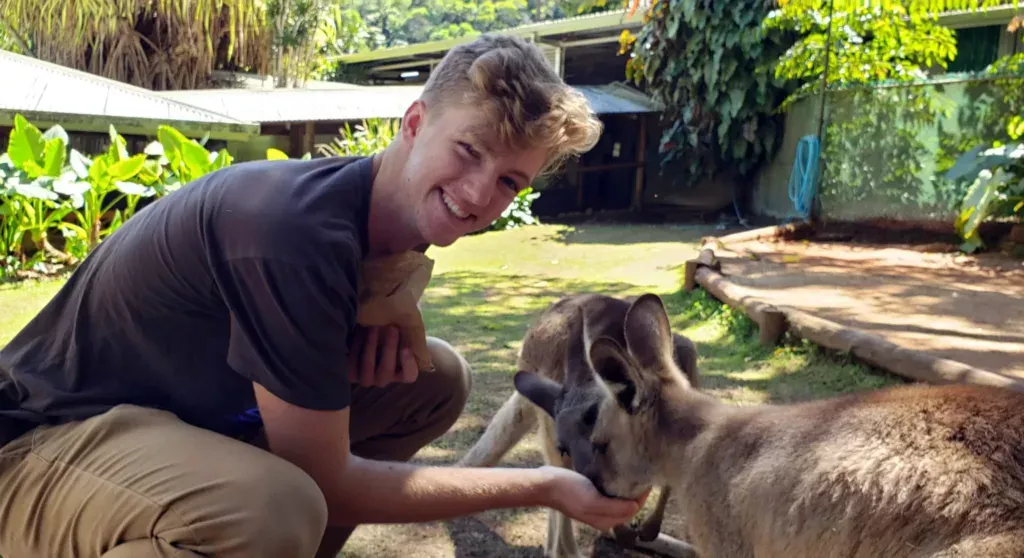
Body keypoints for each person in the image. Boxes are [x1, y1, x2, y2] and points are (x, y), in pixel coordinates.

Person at [0, 34, 645, 558]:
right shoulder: (293, 232)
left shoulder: (380, 224)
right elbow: (328, 487)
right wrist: (542, 486)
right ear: (414, 123)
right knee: (278, 508)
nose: (480, 195)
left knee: (435, 380)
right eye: (469, 151)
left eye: (509, 180)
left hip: (160, 428)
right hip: (37, 446)